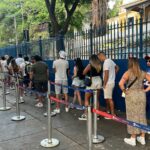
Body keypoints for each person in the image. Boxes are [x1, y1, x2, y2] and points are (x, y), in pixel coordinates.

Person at [119, 57, 150, 146]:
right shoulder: (143, 72)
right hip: (141, 95)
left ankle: (133, 138)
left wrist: (125, 91)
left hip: (131, 95)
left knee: (132, 115)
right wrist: (146, 90)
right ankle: (142, 137)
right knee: (142, 114)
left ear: (130, 63)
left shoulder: (128, 73)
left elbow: (120, 84)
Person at [79, 54, 102, 120]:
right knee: (96, 99)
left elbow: (83, 73)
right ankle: (97, 115)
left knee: (87, 98)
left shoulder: (90, 65)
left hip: (92, 82)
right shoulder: (100, 65)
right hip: (99, 81)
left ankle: (86, 114)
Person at [98, 52, 119, 117]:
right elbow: (117, 68)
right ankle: (108, 110)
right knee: (107, 98)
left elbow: (106, 74)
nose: (99, 60)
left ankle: (112, 114)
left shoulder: (106, 63)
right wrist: (113, 75)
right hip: (111, 82)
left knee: (109, 99)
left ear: (101, 56)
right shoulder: (110, 61)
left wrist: (104, 84)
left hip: (108, 83)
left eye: (99, 58)